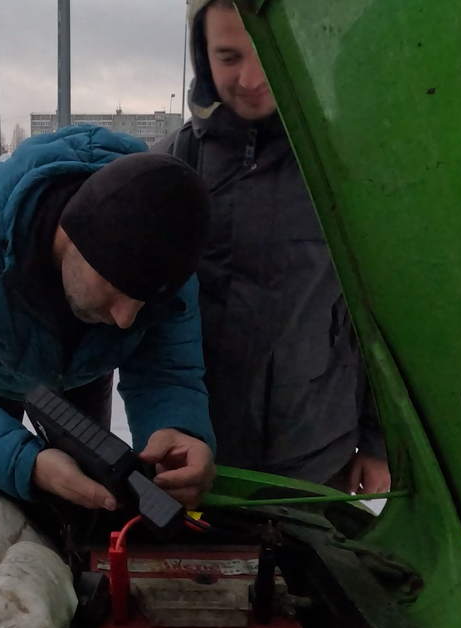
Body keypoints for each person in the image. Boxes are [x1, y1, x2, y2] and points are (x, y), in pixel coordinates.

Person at [0, 126, 217, 510]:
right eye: (118, 287)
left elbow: (167, 373)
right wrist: (26, 463)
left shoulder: (167, 251)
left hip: (84, 375)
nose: (126, 320)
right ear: (72, 233)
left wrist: (177, 430)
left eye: (144, 302)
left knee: (83, 497)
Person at [155, 0, 390, 494]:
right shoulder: (175, 165)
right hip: (203, 461)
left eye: (267, 50)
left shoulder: (348, 167)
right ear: (202, 55)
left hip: (316, 456)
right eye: (229, 57)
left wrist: (377, 441)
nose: (251, 78)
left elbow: (384, 311)